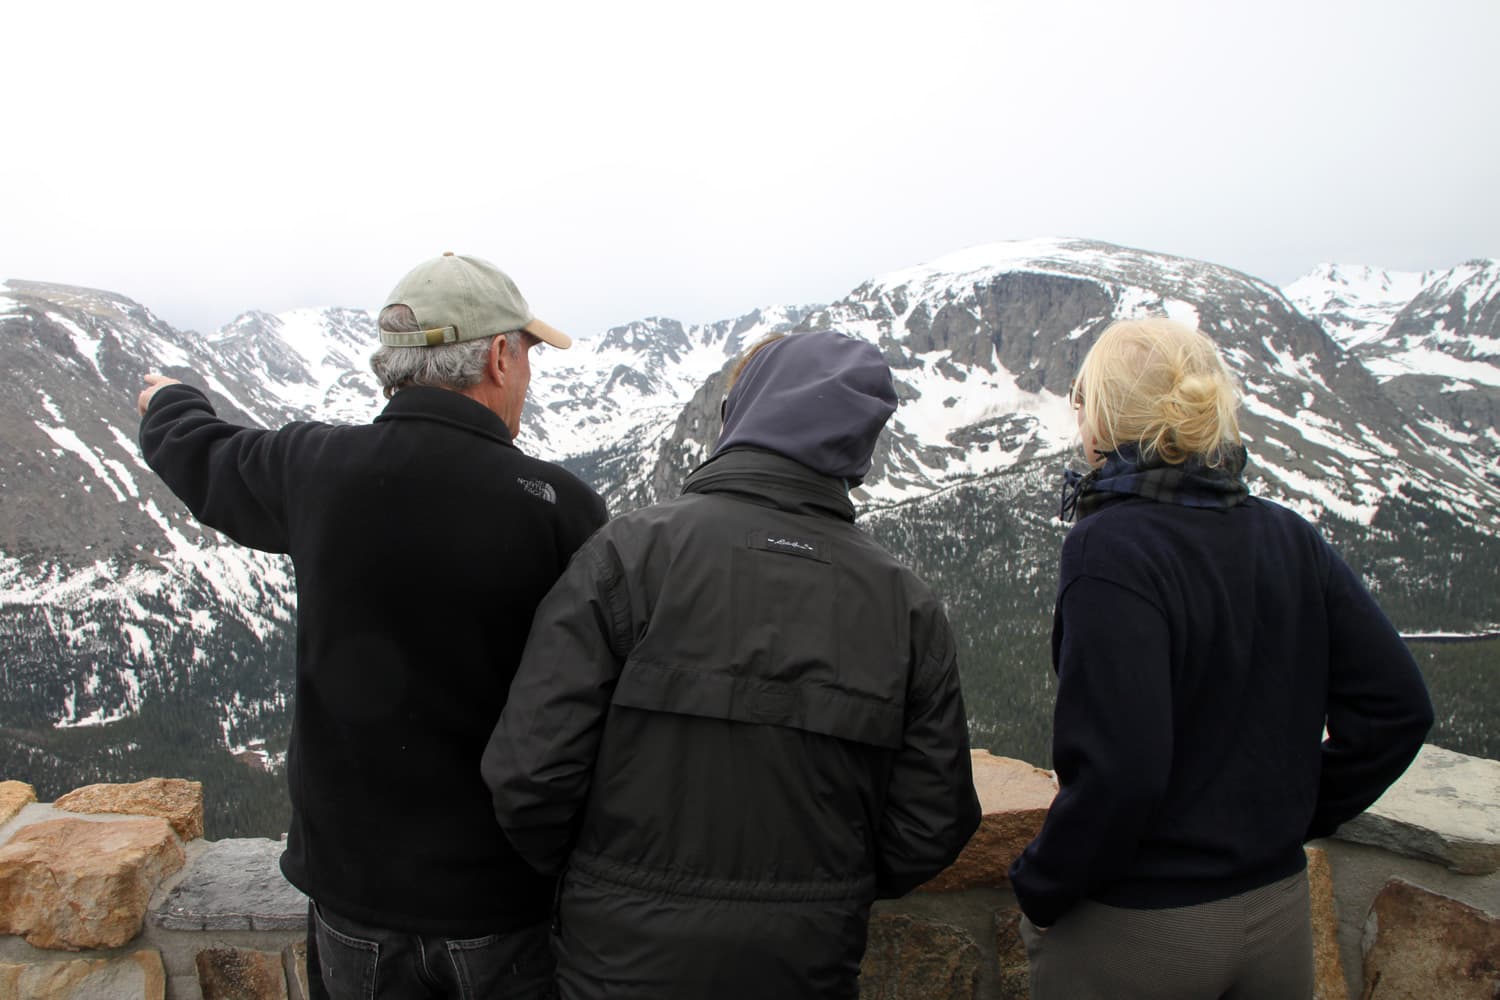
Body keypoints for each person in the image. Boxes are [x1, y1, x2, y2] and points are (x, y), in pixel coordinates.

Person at [137, 252, 608, 1000]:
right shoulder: (560, 506)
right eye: (526, 355)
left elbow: (201, 454)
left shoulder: (313, 466)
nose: (527, 374)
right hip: (499, 899)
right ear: (497, 356)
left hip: (351, 897)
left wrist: (167, 400)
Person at [482, 331, 982, 999]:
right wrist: (830, 891)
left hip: (615, 967)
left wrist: (598, 879)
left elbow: (530, 774)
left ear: (738, 416)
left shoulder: (628, 556)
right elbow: (933, 822)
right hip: (806, 968)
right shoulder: (906, 605)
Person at [1007, 317, 1434, 999]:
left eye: (1083, 400)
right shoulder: (1288, 535)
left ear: (1108, 417)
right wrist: (1290, 816)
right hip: (1277, 916)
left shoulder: (1110, 547)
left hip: (1140, 929)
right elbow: (1399, 710)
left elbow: (1121, 772)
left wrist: (1040, 886)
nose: (1078, 418)